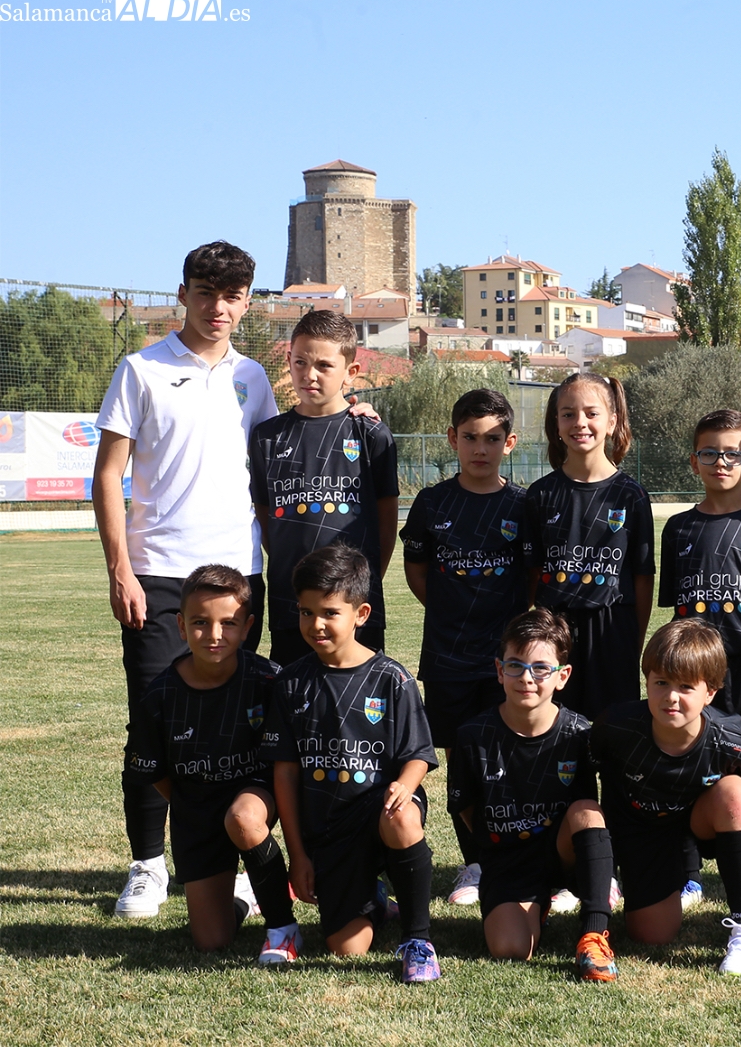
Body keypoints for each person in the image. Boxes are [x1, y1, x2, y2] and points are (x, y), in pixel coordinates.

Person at [93, 241, 277, 918]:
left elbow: (274, 464)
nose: (218, 307)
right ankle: (146, 866)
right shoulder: (140, 369)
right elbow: (109, 473)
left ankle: (228, 867)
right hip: (158, 574)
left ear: (248, 302)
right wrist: (120, 569)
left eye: (231, 296)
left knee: (234, 730)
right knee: (152, 723)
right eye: (206, 293)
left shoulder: (254, 377)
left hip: (237, 576)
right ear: (184, 294)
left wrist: (358, 414)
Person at [260, 545, 441, 983]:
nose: (315, 624)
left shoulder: (391, 678)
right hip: (328, 831)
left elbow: (418, 754)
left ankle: (419, 940)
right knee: (346, 950)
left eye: (329, 612)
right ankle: (374, 900)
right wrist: (298, 854)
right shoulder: (290, 682)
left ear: (360, 613)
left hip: (380, 808)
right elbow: (284, 771)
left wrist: (405, 785)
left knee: (400, 816)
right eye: (305, 612)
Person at [123, 564, 300, 962]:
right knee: (211, 941)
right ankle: (243, 898)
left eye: (229, 623)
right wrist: (194, 802)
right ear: (181, 627)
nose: (215, 635)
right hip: (197, 813)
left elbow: (289, 759)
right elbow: (154, 773)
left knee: (242, 818)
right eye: (201, 623)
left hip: (254, 796)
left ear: (248, 626)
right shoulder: (160, 696)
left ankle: (282, 926)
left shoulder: (269, 680)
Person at [400, 388, 533, 907]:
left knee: (508, 754)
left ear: (510, 442)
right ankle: (474, 863)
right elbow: (416, 570)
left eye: (493, 438)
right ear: (453, 439)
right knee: (460, 759)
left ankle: (516, 856)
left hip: (507, 661)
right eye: (471, 438)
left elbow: (530, 577)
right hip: (449, 656)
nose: (481, 448)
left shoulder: (523, 505)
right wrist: (455, 610)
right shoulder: (433, 502)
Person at [657, 408, 741, 911]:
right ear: (694, 461)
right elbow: (675, 606)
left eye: (734, 453)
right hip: (691, 672)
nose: (721, 461)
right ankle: (688, 872)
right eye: (710, 451)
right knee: (686, 761)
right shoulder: (680, 529)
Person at [588, 620, 741, 975]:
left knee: (733, 791)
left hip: (697, 822)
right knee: (650, 935)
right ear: (647, 682)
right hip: (639, 829)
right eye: (661, 683)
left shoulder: (737, 739)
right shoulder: (615, 727)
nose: (671, 697)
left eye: (686, 687)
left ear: (711, 691)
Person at [448, 609, 617, 981]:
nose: (527, 678)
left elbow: (586, 812)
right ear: (498, 670)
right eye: (515, 665)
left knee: (587, 811)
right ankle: (532, 903)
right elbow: (466, 810)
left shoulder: (579, 733)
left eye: (541, 668)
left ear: (562, 676)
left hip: (562, 852)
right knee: (510, 949)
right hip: (508, 860)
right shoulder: (472, 737)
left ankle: (593, 932)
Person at [250, 310, 398, 665]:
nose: (309, 374)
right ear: (289, 360)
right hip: (292, 605)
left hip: (353, 606)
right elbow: (267, 519)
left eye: (324, 365)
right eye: (300, 361)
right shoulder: (267, 437)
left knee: (356, 709)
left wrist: (362, 582)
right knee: (293, 703)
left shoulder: (370, 433)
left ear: (351, 372)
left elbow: (386, 524)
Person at [525, 371, 654, 721]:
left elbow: (642, 579)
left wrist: (634, 642)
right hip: (554, 629)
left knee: (613, 732)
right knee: (555, 731)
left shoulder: (631, 495)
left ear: (612, 422)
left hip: (612, 630)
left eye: (591, 413)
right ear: (557, 423)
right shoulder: (540, 495)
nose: (580, 422)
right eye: (568, 413)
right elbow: (532, 574)